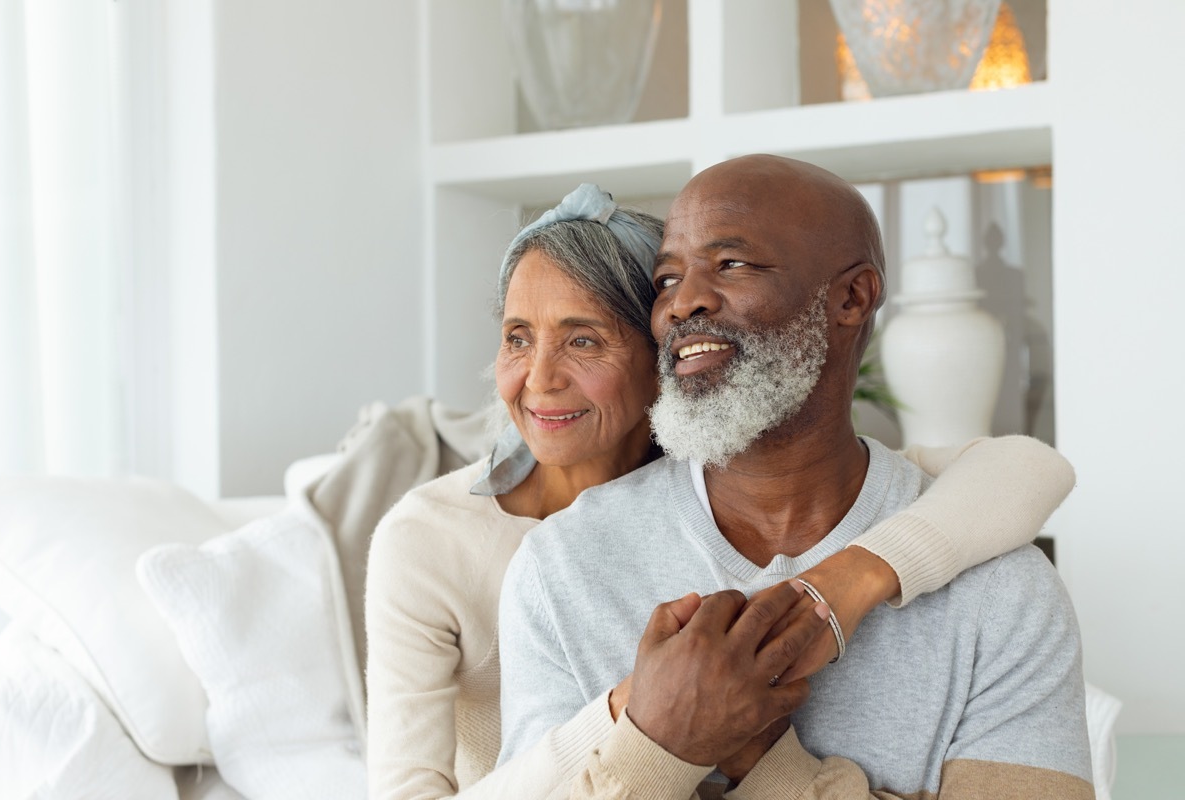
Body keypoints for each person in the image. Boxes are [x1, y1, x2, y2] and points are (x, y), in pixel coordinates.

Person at [365, 182, 1077, 799]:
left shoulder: (976, 561)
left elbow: (1025, 469)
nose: (540, 377)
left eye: (584, 341)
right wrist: (650, 715)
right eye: (517, 337)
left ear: (661, 358)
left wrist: (846, 585)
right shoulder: (501, 553)